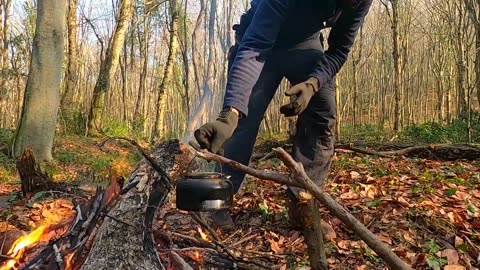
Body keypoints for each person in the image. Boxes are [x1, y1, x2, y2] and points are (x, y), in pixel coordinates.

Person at [194, 0, 372, 229]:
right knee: (240, 120)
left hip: (305, 44)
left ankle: (302, 204)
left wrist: (312, 84)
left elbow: (339, 51)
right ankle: (215, 203)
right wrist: (231, 112)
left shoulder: (361, 2)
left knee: (322, 116)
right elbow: (255, 44)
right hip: (259, 42)